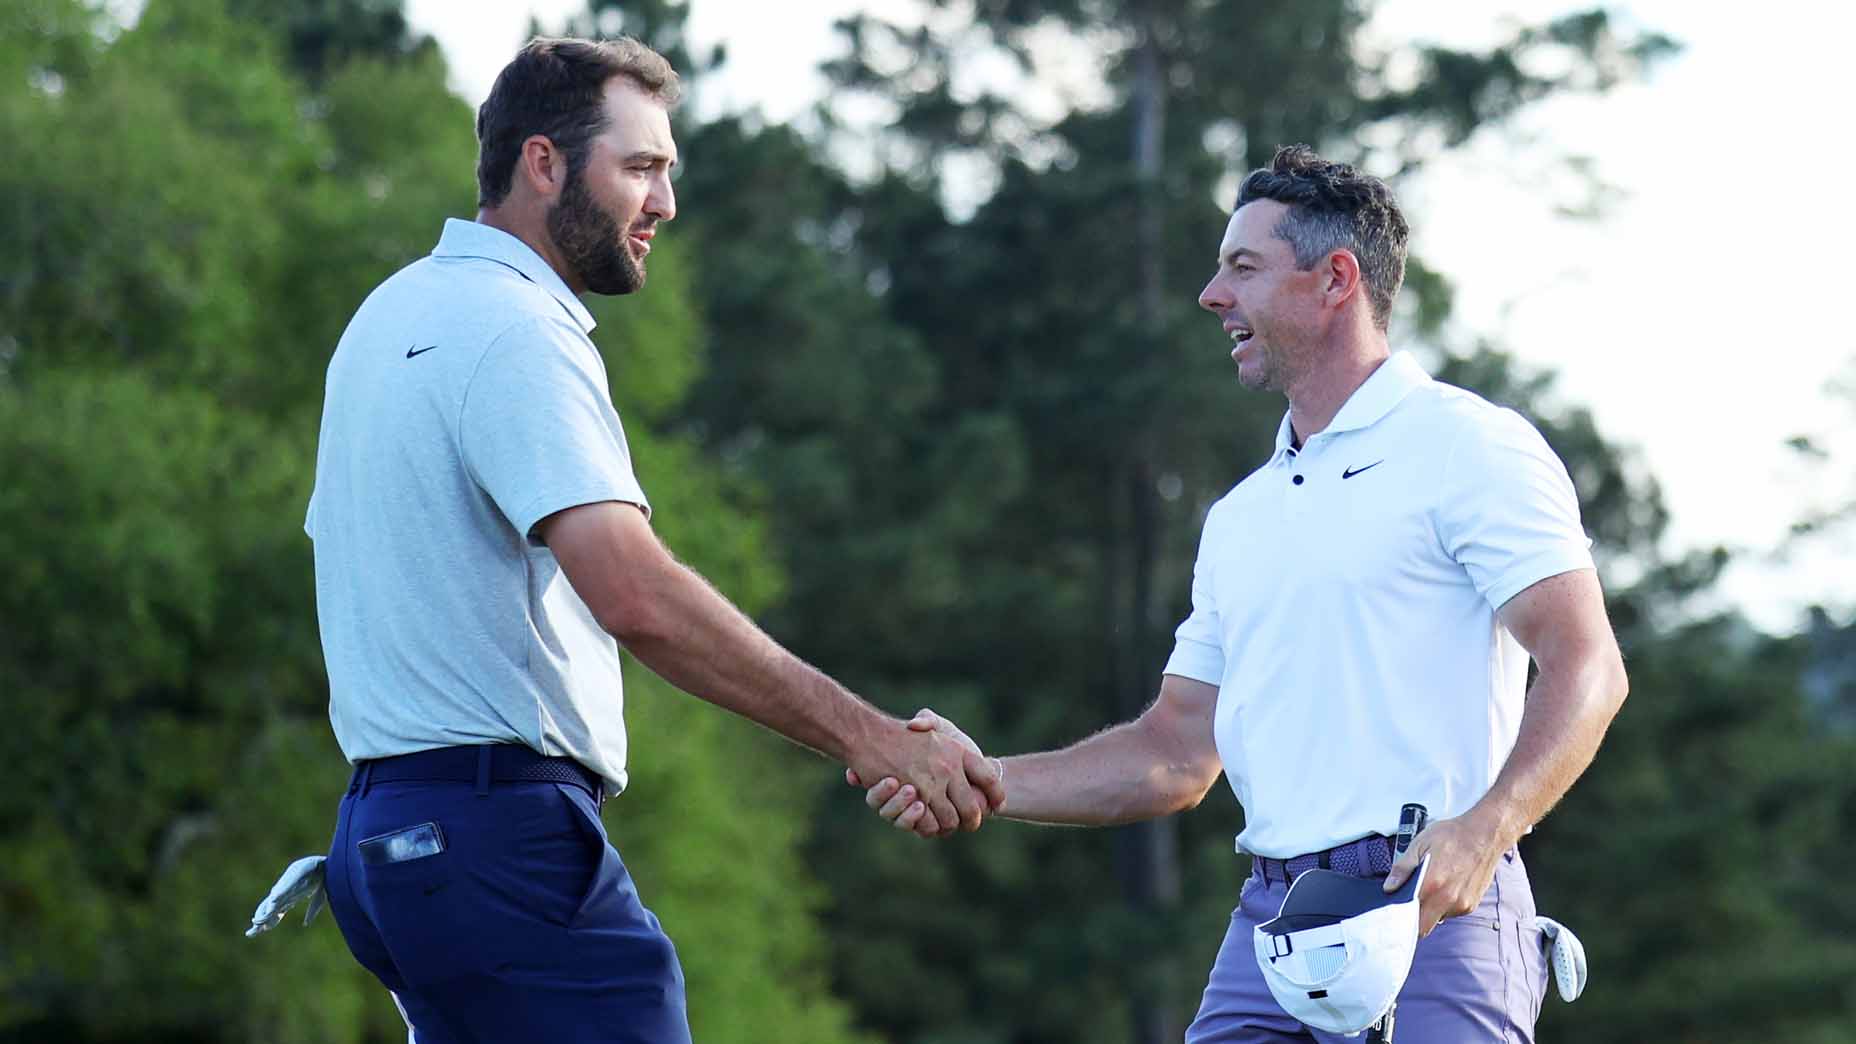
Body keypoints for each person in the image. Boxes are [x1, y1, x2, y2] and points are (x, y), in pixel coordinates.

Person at [301, 36, 1001, 1044]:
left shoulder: (387, 315)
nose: (665, 203)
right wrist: (870, 736)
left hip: (386, 844)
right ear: (542, 163)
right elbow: (631, 594)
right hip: (496, 838)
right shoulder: (515, 330)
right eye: (640, 168)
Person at [856, 145, 1629, 1042]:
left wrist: (1487, 829)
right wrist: (987, 780)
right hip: (1270, 925)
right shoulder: (1241, 516)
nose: (1211, 295)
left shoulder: (1470, 447)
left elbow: (1589, 667)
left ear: (1335, 280)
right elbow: (1178, 752)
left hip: (1437, 916)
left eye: (1243, 267)